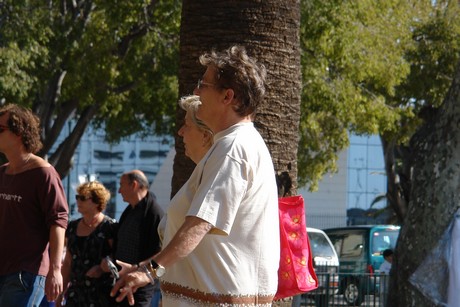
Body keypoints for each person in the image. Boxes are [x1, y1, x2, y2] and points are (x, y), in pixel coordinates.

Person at [112, 45, 279, 306]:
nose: (197, 91)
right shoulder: (235, 144)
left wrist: (149, 271)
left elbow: (201, 222)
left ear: (228, 97)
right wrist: (144, 268)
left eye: (204, 84)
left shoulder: (233, 148)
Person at [0, 104, 69, 305]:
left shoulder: (43, 173)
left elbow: (58, 222)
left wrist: (55, 270)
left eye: (0, 129)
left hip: (26, 274)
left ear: (19, 132)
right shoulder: (2, 172)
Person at [102, 170, 164, 307]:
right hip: (122, 282)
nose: (119, 191)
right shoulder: (130, 210)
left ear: (134, 185)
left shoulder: (153, 212)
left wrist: (136, 268)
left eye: (122, 185)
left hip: (140, 285)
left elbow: (161, 252)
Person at [56, 181, 117, 306]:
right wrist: (60, 293)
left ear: (96, 201)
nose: (78, 201)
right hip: (76, 293)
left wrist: (101, 268)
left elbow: (117, 256)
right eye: (77, 197)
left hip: (102, 293)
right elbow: (68, 262)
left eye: (82, 198)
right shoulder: (72, 227)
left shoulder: (109, 227)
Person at [177, 94, 214, 164]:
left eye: (187, 125)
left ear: (206, 136)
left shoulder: (217, 172)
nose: (180, 132)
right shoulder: (210, 170)